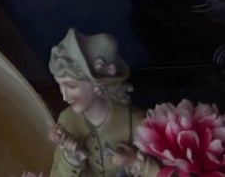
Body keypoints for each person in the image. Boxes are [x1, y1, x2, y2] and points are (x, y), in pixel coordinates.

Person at [46, 30, 157, 177]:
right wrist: (72, 158)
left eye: (71, 86)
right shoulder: (67, 120)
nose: (64, 96)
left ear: (97, 85)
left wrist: (134, 161)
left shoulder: (135, 122)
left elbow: (166, 173)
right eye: (60, 85)